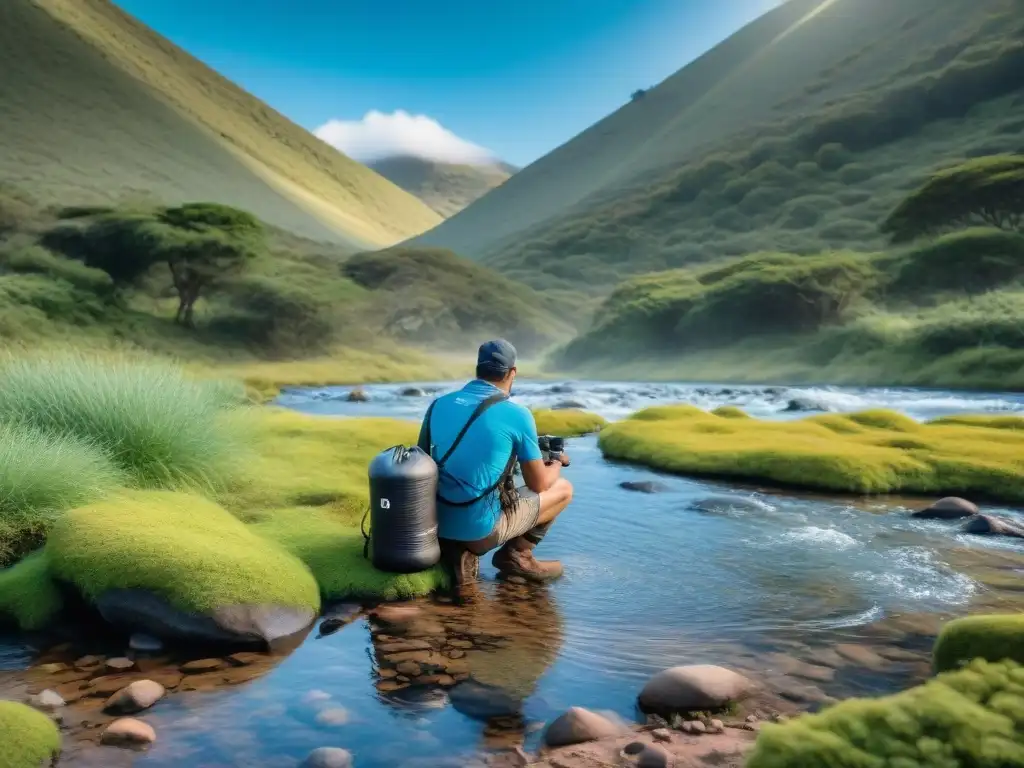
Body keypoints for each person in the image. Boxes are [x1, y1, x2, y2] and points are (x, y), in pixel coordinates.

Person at [417, 339, 573, 582]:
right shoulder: (517, 414)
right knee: (563, 489)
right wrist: (555, 463)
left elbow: (421, 463)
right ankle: (518, 556)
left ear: (478, 369)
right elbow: (539, 484)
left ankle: (456, 549)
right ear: (512, 372)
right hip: (478, 532)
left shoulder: (438, 404)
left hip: (435, 526)